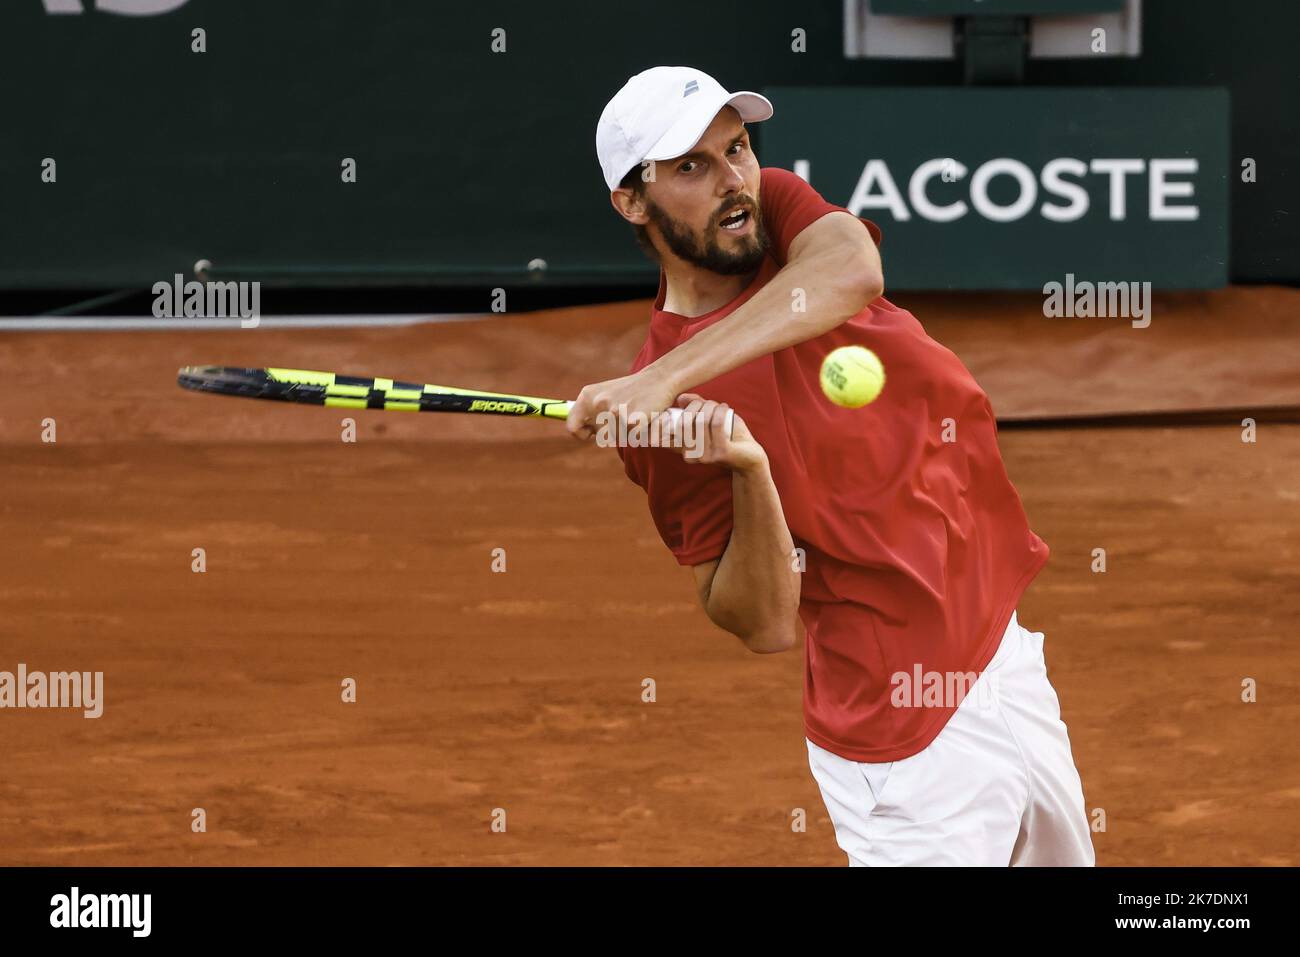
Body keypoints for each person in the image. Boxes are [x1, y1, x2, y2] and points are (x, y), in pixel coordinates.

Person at [570, 65, 1094, 866]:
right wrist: (749, 471)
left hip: (1002, 655)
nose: (732, 179)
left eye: (737, 148)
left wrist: (666, 376)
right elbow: (764, 622)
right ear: (632, 202)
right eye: (691, 167)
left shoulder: (774, 213)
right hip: (906, 744)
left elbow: (853, 271)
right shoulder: (664, 422)